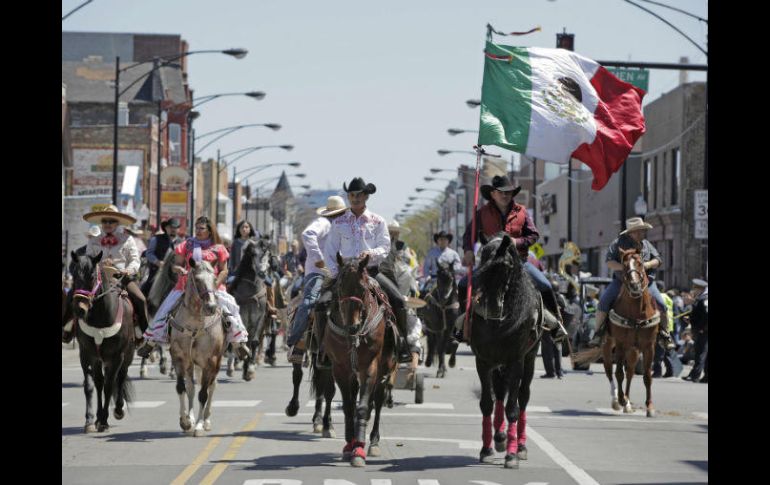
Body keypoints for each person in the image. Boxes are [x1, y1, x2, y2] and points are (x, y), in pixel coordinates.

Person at [454, 175, 568, 342]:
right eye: (501, 192)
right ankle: (463, 323)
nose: (505, 196)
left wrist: (517, 242)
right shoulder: (482, 213)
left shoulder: (522, 212)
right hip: (490, 265)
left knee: (545, 285)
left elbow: (534, 235)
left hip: (518, 263)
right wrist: (468, 250)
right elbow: (467, 235)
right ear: (493, 194)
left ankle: (556, 325)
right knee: (463, 284)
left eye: (509, 192)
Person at [323, 177, 412, 363]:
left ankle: (403, 344)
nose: (355, 198)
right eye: (351, 195)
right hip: (344, 274)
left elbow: (385, 247)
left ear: (366, 197)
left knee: (398, 300)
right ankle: (321, 349)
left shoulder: (378, 221)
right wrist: (334, 273)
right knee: (320, 304)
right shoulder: (339, 223)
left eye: (359, 195)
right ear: (348, 197)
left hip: (370, 272)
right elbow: (330, 251)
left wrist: (370, 254)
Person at [136, 216, 251, 360]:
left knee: (230, 309)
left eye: (201, 228)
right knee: (165, 310)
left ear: (209, 230)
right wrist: (179, 270)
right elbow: (176, 264)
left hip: (212, 286)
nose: (197, 230)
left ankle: (238, 343)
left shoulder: (219, 248)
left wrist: (215, 285)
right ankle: (151, 341)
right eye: (196, 227)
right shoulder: (187, 244)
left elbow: (224, 271)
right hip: (187, 286)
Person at [62, 205, 149, 343]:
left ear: (117, 223)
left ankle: (145, 335)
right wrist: (99, 265)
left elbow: (135, 261)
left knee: (141, 299)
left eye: (111, 221)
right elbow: (88, 260)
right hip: (97, 278)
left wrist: (127, 270)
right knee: (73, 293)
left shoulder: (128, 239)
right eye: (105, 221)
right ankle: (67, 326)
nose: (108, 224)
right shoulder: (93, 240)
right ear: (101, 223)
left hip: (121, 277)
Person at [588, 217, 673, 348]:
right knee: (604, 302)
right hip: (622, 282)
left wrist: (647, 264)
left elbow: (658, 259)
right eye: (638, 231)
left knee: (662, 305)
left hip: (647, 283)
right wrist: (628, 267)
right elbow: (609, 262)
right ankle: (598, 334)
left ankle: (664, 334)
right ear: (630, 232)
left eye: (642, 231)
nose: (641, 233)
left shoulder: (646, 244)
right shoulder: (617, 244)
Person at [286, 196, 348, 363]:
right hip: (318, 272)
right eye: (341, 213)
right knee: (309, 301)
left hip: (337, 273)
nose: (342, 215)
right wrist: (319, 260)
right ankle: (296, 341)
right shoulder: (324, 223)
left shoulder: (341, 228)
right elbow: (308, 235)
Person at [141, 218, 181, 295]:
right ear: (166, 228)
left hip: (174, 276)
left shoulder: (182, 242)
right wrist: (157, 262)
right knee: (145, 291)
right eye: (171, 227)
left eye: (175, 228)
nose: (173, 229)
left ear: (178, 229)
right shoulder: (156, 239)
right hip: (156, 273)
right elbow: (148, 253)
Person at [683, 278, 708, 382]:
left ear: (699, 288)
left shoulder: (704, 298)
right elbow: (698, 314)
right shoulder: (700, 298)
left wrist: (703, 328)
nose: (693, 290)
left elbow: (706, 315)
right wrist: (690, 319)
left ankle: (695, 375)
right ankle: (704, 377)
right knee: (702, 353)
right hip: (700, 329)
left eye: (694, 288)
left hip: (703, 330)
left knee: (700, 353)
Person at [653, 281, 676, 378]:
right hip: (669, 326)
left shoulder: (658, 297)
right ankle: (670, 371)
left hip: (661, 326)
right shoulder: (668, 297)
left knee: (658, 351)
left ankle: (657, 372)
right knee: (666, 351)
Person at [228, 220, 258, 284]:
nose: (244, 229)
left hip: (252, 272)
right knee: (229, 282)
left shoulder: (254, 244)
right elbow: (231, 259)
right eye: (242, 227)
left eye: (246, 227)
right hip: (237, 273)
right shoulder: (235, 243)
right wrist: (233, 270)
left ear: (250, 229)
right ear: (239, 229)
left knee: (268, 283)